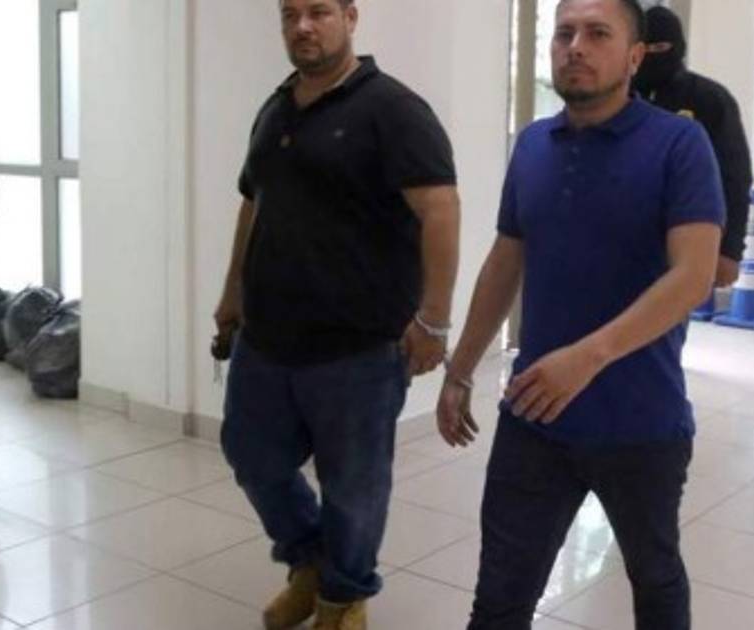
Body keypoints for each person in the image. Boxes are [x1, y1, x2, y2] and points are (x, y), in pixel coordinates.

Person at [437, 0, 723, 628]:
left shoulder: (680, 143)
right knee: (500, 598)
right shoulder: (533, 144)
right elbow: (505, 262)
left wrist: (589, 356)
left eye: (597, 33)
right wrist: (460, 369)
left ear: (635, 55)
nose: (576, 47)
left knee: (655, 580)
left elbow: (693, 275)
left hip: (640, 421)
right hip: (535, 417)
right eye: (564, 33)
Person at [213, 0, 460, 627]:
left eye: (318, 11)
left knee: (353, 486)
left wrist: (433, 319)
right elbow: (254, 204)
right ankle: (310, 562)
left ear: (350, 17)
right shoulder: (275, 109)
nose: (302, 26)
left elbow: (440, 209)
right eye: (290, 13)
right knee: (252, 456)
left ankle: (344, 598)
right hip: (266, 338)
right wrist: (232, 292)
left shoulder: (393, 110)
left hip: (359, 348)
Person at [635, 5, 753, 288]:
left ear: (678, 48)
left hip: (686, 238)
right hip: (623, 239)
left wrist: (730, 250)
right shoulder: (620, 98)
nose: (652, 56)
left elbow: (734, 176)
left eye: (660, 48)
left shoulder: (708, 99)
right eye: (645, 49)